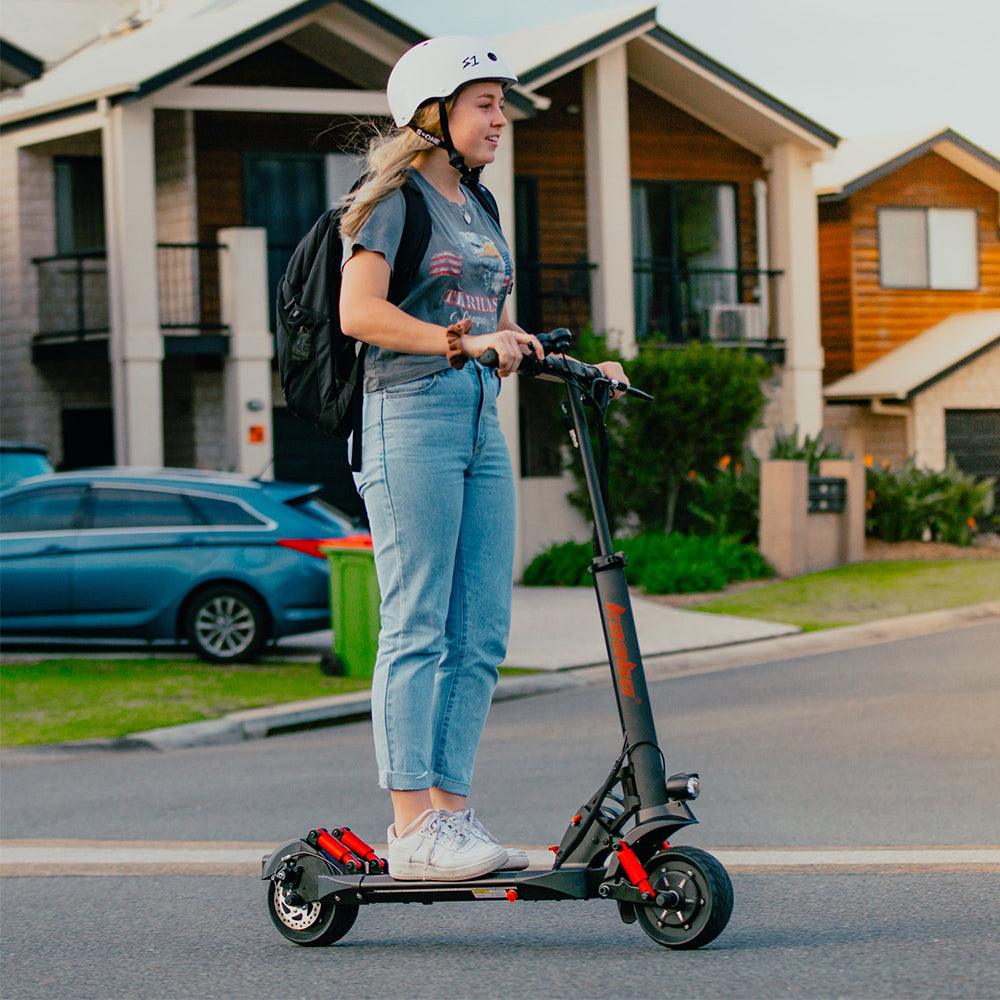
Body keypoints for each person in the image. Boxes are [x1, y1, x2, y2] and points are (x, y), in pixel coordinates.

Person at [339, 36, 628, 881]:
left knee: (481, 631)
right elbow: (360, 313)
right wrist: (459, 346)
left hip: (474, 418)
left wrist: (565, 357)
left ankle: (452, 817)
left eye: (501, 102)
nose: (500, 117)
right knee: (418, 619)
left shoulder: (480, 205)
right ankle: (409, 824)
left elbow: (497, 321)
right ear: (432, 114)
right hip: (408, 412)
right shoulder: (391, 197)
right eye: (485, 102)